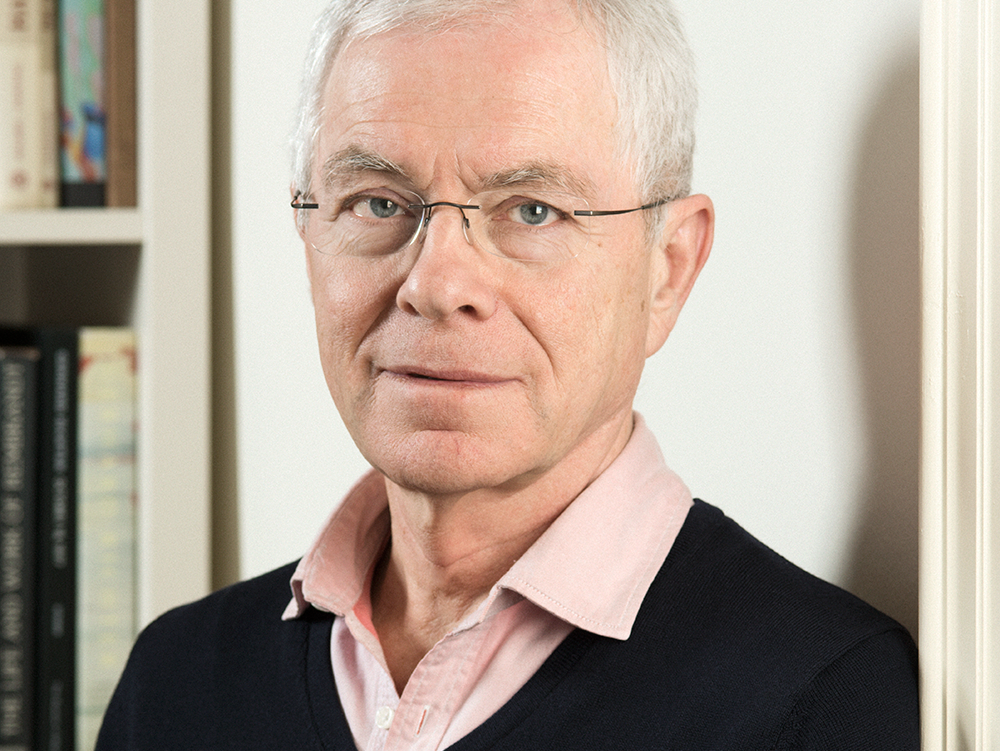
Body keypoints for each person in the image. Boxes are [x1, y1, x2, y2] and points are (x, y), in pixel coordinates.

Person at [96, 0, 920, 748]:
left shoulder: (817, 699)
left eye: (532, 211)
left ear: (668, 267)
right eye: (378, 202)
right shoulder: (175, 682)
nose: (437, 284)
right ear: (309, 234)